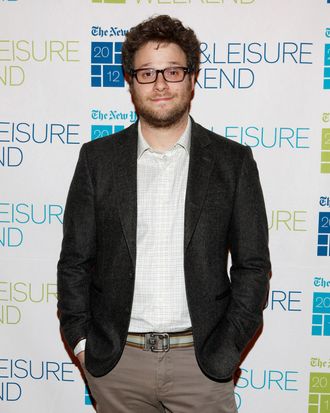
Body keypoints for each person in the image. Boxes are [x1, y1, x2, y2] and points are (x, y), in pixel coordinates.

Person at [57, 15, 271, 413]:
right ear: (130, 81)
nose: (159, 84)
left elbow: (253, 266)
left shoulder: (233, 162)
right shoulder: (96, 161)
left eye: (172, 71)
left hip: (202, 364)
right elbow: (74, 263)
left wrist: (227, 349)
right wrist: (85, 346)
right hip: (117, 366)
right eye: (147, 73)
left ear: (192, 78)